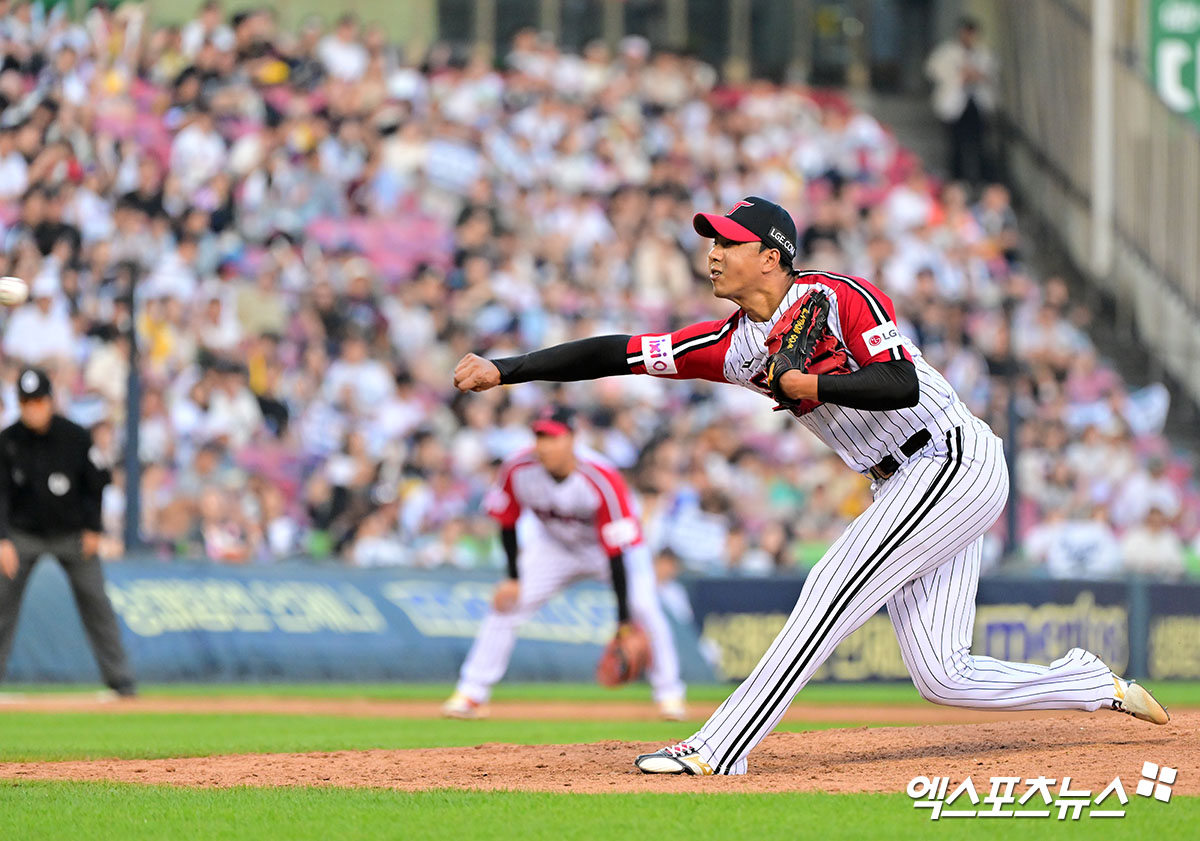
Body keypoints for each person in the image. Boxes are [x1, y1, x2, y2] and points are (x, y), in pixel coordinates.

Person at [452, 196, 1169, 776]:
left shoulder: (841, 295)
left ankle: (716, 748)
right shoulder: (729, 347)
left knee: (829, 581)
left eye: (727, 243)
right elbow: (618, 352)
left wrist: (812, 381)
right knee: (942, 676)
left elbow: (901, 382)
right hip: (904, 484)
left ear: (771, 256)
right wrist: (507, 368)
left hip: (950, 455)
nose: (711, 253)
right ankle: (1088, 683)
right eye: (711, 241)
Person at [442, 406, 687, 722]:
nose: (544, 445)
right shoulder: (518, 468)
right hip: (554, 547)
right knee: (506, 604)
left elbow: (615, 553)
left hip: (610, 551)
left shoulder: (601, 477)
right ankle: (471, 693)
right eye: (539, 436)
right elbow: (507, 521)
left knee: (645, 608)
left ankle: (669, 695)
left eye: (552, 437)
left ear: (572, 438)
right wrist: (513, 578)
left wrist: (623, 619)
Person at [0, 368, 136, 697]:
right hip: (23, 535)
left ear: (50, 401)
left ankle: (121, 683)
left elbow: (96, 485)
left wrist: (94, 528)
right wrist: (2, 539)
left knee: (96, 602)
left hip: (73, 534)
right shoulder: (7, 441)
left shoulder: (74, 436)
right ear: (19, 403)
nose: (33, 408)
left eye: (38, 401)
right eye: (26, 402)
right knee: (1, 602)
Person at [925, 17, 997, 184]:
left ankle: (978, 179)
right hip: (954, 104)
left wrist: (977, 75)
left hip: (977, 103)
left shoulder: (983, 53)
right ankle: (957, 179)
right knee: (955, 145)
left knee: (979, 144)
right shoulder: (947, 52)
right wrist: (960, 75)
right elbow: (933, 71)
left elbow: (991, 74)